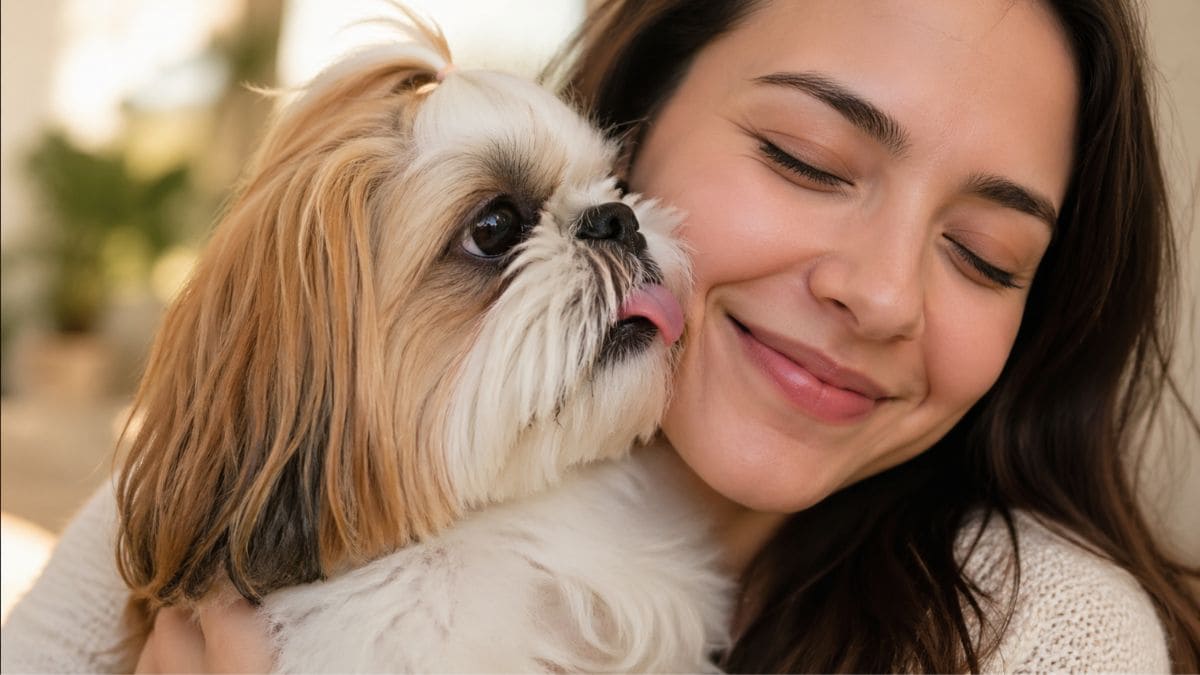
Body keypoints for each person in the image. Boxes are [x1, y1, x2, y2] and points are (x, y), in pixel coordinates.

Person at [4, 0, 1198, 671]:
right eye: (805, 159)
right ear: (637, 118)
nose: (881, 296)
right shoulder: (187, 510)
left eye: (987, 257)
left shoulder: (1050, 638)